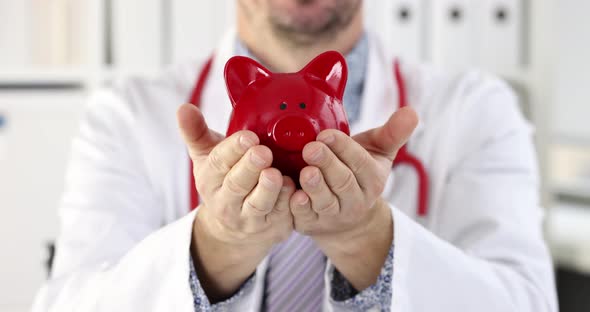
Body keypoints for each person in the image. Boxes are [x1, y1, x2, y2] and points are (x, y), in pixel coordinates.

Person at [33, 0, 558, 311]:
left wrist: (366, 240)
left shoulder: (476, 109)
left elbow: (526, 302)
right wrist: (216, 248)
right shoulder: (126, 115)